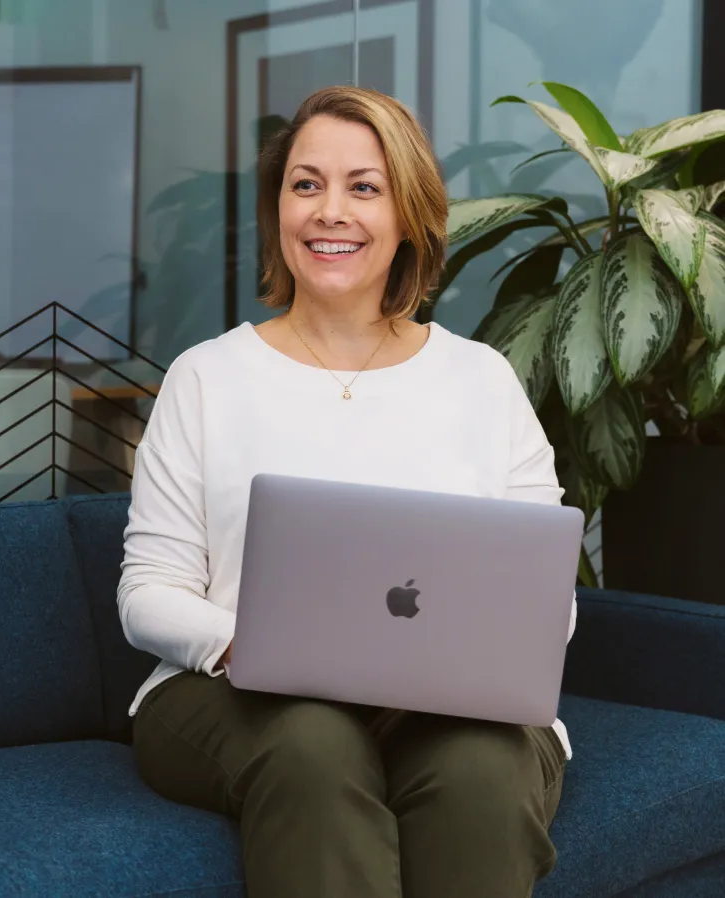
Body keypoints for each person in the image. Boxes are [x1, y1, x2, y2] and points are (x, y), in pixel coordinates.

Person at [119, 85, 575, 898]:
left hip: (446, 704)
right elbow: (148, 594)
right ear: (279, 211)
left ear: (409, 216)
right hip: (236, 698)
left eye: (364, 187)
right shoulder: (207, 378)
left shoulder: (481, 380)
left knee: (483, 772)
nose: (330, 211)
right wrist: (251, 648)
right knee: (315, 746)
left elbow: (547, 601)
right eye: (306, 184)